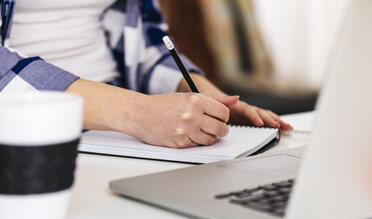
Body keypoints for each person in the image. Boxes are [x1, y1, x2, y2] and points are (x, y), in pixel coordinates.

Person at [0, 0, 292, 148]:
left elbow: (145, 41)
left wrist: (208, 100)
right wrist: (138, 113)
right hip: (24, 130)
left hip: (116, 134)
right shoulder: (135, 114)